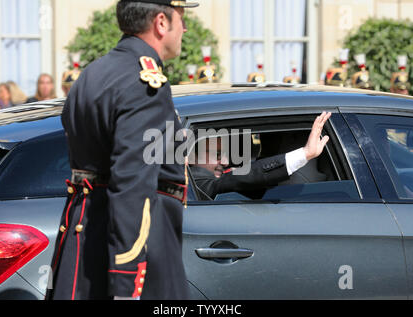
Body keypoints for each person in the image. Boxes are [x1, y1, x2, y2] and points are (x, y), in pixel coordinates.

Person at [47, 0, 199, 301]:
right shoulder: (144, 81)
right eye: (180, 18)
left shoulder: (94, 72)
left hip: (85, 237)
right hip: (133, 250)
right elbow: (133, 184)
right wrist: (127, 280)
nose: (184, 28)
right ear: (160, 23)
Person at [191, 112, 332, 200]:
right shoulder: (195, 181)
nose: (226, 162)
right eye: (217, 154)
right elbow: (243, 177)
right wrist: (305, 153)